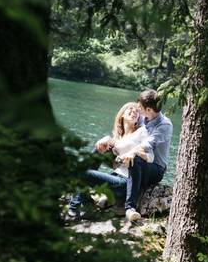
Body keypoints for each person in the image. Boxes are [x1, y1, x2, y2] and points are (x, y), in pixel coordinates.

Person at [66, 102, 152, 220]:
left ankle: (73, 209)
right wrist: (105, 140)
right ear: (122, 114)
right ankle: (85, 203)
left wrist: (134, 153)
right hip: (114, 177)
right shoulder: (118, 137)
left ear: (139, 118)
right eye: (130, 109)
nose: (134, 112)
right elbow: (110, 152)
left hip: (125, 183)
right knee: (98, 149)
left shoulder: (142, 132)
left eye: (137, 111)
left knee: (84, 173)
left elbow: (150, 156)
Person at [123, 89, 173, 222]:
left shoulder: (165, 125)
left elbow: (147, 144)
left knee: (135, 158)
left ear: (149, 110)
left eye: (139, 108)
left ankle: (130, 208)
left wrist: (131, 152)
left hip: (155, 168)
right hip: (141, 161)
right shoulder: (143, 118)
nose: (137, 110)